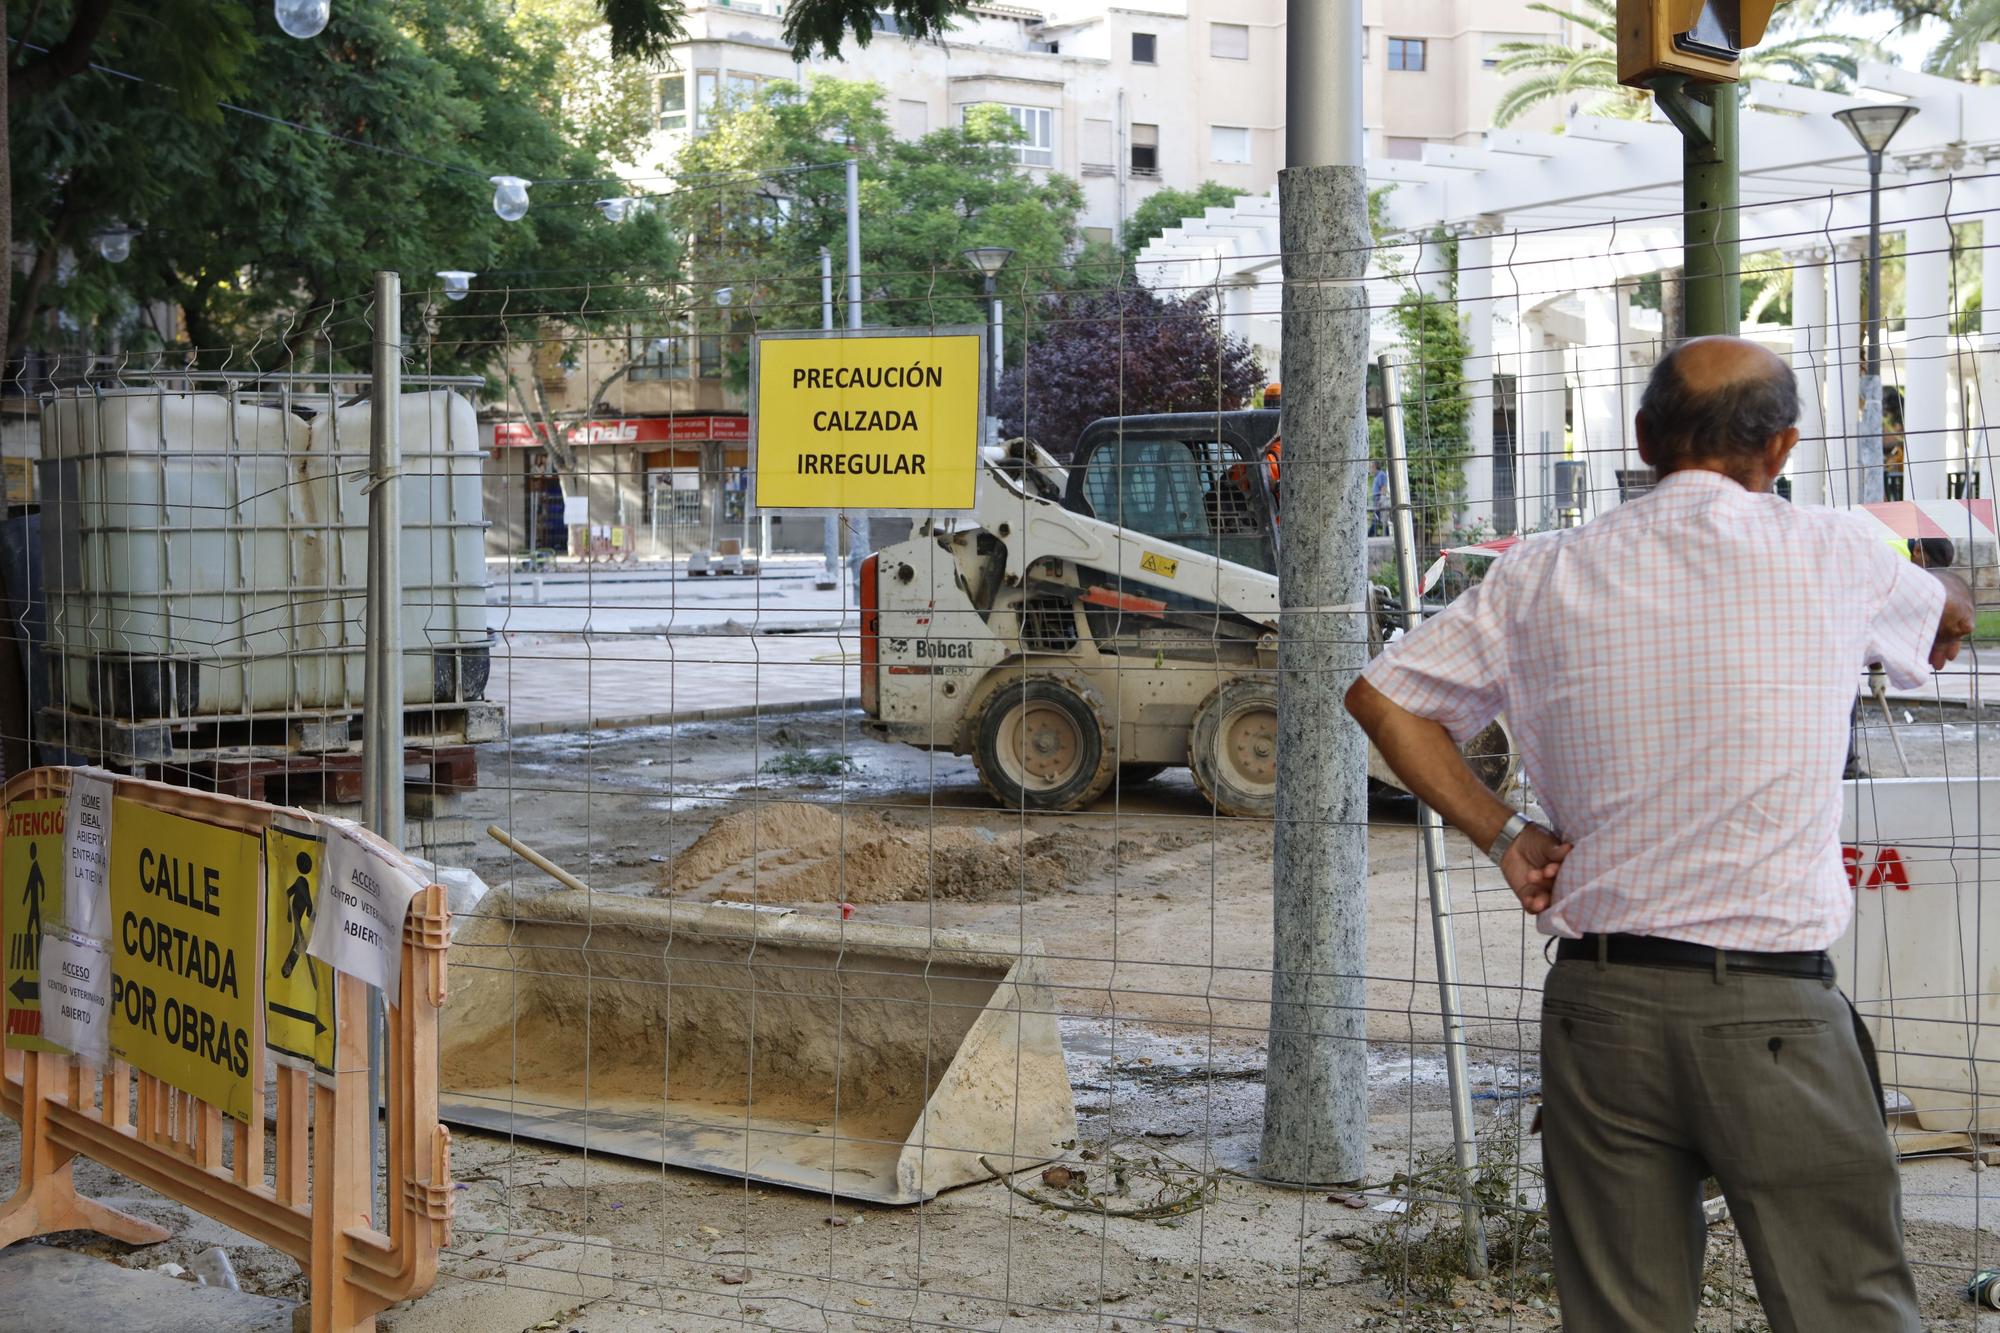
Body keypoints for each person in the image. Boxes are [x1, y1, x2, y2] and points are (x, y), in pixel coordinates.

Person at [1347, 336, 1974, 1332]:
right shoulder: (1836, 548)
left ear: (1642, 440)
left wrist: (1501, 831)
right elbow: (1948, 623)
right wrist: (1933, 593)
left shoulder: (1536, 575)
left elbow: (1382, 698)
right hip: (1773, 1014)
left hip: (1601, 1009)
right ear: (1780, 449)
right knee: (1846, 1309)